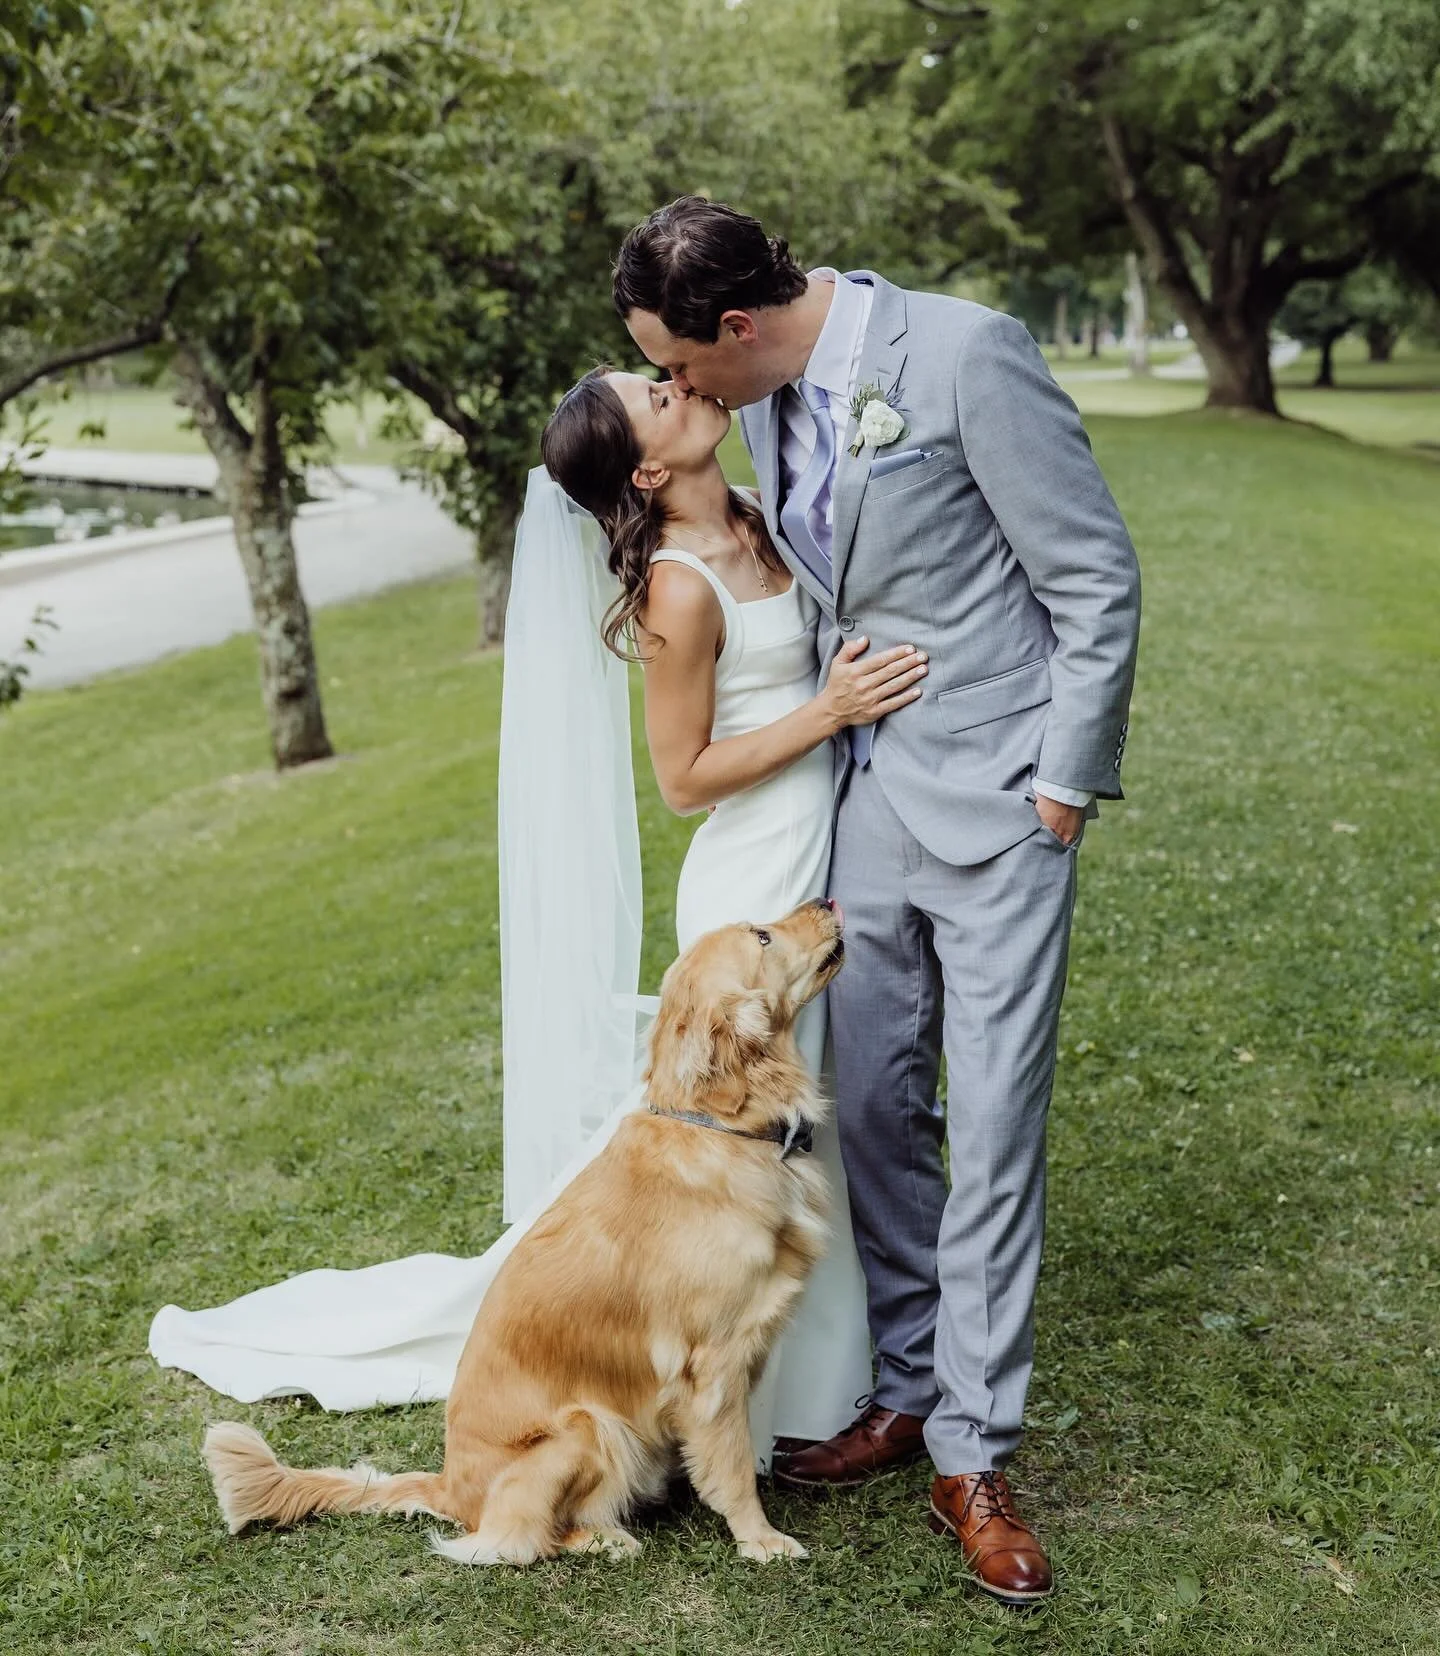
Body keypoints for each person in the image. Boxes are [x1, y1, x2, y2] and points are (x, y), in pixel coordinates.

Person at [149, 357, 925, 1474]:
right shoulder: (675, 588)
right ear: (651, 466)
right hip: (750, 868)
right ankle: (781, 1389)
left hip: (819, 837)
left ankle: (851, 1369)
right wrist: (830, 710)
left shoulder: (755, 513)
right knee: (776, 1122)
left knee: (821, 1122)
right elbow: (684, 777)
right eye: (659, 394)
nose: (683, 381)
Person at [614, 196, 1142, 1603]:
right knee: (884, 1121)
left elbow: (1092, 573)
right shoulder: (766, 403)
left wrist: (1063, 787)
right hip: (860, 823)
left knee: (996, 1126)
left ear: (737, 326)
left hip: (1002, 810)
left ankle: (974, 1452)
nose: (682, 395)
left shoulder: (968, 356)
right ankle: (909, 1383)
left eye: (682, 366)